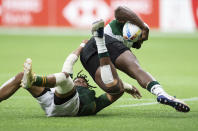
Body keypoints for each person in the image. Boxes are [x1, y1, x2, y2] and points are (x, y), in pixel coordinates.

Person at [80, 6, 190, 112]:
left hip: (87, 53)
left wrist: (127, 86)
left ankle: (99, 38)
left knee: (114, 88)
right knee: (136, 69)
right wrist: (143, 26)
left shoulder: (125, 41)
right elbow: (119, 10)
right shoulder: (123, 24)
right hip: (106, 40)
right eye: (141, 39)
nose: (141, 44)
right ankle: (161, 93)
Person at [0, 39, 141, 117]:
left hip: (71, 107)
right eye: (77, 80)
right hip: (52, 102)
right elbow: (69, 62)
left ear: (88, 86)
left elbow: (116, 91)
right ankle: (31, 79)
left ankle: (34, 79)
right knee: (20, 77)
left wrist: (127, 88)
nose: (79, 81)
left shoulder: (95, 102)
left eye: (83, 81)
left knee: (64, 78)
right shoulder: (71, 85)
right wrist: (81, 46)